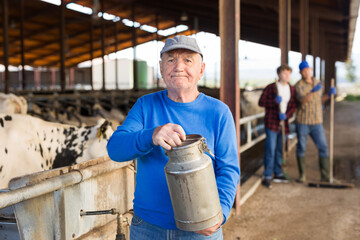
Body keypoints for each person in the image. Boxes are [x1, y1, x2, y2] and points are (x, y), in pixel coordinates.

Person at [107, 35, 240, 239]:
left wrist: (219, 213)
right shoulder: (145, 106)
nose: (178, 66)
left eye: (188, 60)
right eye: (171, 60)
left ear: (201, 69)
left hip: (200, 229)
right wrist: (151, 135)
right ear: (161, 68)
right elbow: (115, 149)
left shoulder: (218, 112)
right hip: (148, 227)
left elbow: (229, 168)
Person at [294, 60, 336, 183]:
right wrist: (312, 91)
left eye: (308, 69)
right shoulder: (299, 85)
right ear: (301, 72)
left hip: (317, 121)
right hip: (303, 122)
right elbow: (303, 100)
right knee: (301, 147)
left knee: (323, 147)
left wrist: (329, 95)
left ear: (311, 69)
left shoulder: (318, 82)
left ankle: (325, 176)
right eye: (304, 70)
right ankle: (302, 176)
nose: (307, 72)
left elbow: (320, 100)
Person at [258, 64, 297, 188]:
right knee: (270, 149)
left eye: (289, 73)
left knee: (280, 149)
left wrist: (287, 115)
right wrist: (274, 101)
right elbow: (261, 102)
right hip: (272, 123)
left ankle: (278, 172)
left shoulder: (291, 89)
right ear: (279, 74)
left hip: (283, 123)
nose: (287, 76)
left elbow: (293, 105)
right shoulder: (272, 87)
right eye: (285, 73)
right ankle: (268, 174)